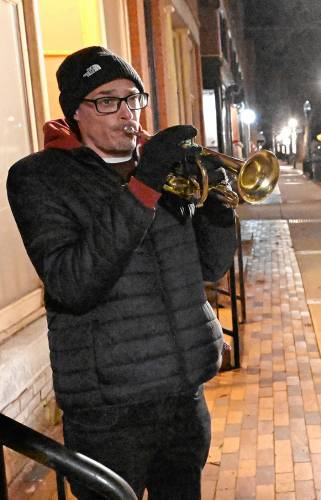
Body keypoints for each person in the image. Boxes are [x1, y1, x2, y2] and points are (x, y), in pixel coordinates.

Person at [6, 46, 237, 499]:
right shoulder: (38, 177)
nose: (126, 112)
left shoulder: (162, 173)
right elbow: (73, 283)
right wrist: (144, 185)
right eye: (107, 100)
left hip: (183, 398)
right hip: (109, 413)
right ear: (75, 111)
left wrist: (218, 206)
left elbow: (210, 266)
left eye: (133, 98)